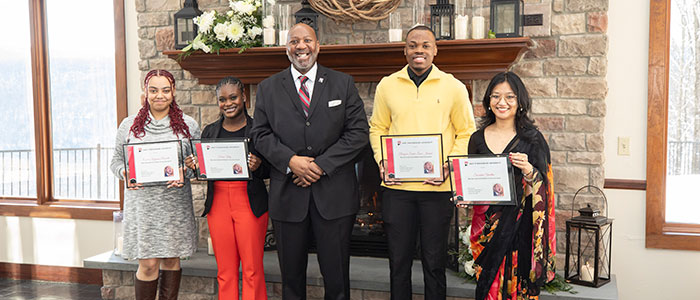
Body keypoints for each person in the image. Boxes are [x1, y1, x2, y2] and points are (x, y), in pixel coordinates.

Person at [250, 23, 369, 300]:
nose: (300, 46)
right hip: (288, 196)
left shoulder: (343, 83)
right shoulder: (268, 88)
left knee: (337, 277)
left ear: (317, 45)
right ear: (286, 48)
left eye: (306, 40)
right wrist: (291, 161)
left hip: (335, 196)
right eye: (294, 41)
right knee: (291, 279)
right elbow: (260, 134)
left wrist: (319, 166)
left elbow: (358, 133)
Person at [368, 25, 477, 300]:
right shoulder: (387, 85)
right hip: (397, 190)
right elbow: (377, 128)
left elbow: (466, 132)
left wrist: (449, 166)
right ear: (405, 50)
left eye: (425, 45)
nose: (419, 50)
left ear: (435, 50)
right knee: (398, 264)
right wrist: (383, 161)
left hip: (437, 191)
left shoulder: (453, 86)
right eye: (413, 45)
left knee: (434, 263)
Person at [463, 72, 556, 300]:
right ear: (488, 101)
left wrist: (528, 170)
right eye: (495, 96)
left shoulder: (533, 139)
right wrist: (465, 196)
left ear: (520, 101)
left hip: (520, 232)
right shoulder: (476, 139)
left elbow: (546, 189)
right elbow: (474, 182)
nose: (502, 102)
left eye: (509, 97)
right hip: (487, 230)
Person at [110, 69, 200, 300]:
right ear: (145, 91)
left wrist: (185, 171)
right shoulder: (128, 125)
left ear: (173, 92)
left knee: (171, 260)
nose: (159, 95)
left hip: (174, 207)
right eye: (153, 90)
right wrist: (125, 172)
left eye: (165, 90)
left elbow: (198, 164)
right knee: (148, 264)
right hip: (143, 207)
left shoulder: (189, 125)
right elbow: (116, 163)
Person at [185, 77, 269, 300]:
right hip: (218, 204)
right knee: (225, 271)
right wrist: (196, 166)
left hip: (249, 203)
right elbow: (205, 172)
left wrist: (258, 166)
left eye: (233, 97)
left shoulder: (258, 130)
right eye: (222, 99)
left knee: (252, 270)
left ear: (244, 97)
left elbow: (271, 169)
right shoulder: (209, 131)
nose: (228, 103)